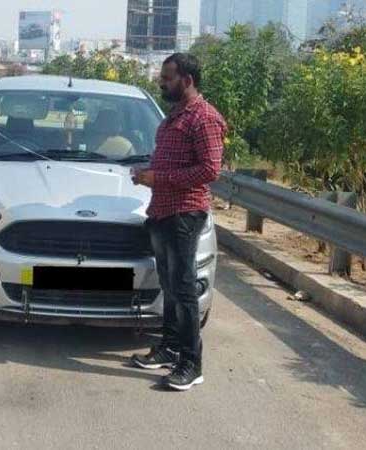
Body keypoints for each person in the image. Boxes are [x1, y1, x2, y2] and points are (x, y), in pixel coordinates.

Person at [131, 53, 227, 392]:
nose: (162, 83)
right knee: (170, 285)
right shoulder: (175, 116)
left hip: (185, 213)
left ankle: (191, 363)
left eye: (167, 78)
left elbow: (210, 170)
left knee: (184, 290)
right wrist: (147, 174)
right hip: (162, 211)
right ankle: (169, 347)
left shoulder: (205, 118)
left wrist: (159, 178)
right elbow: (172, 162)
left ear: (187, 80)